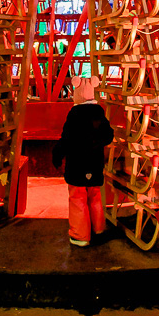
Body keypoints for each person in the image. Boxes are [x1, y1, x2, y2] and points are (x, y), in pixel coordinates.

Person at [52, 74, 114, 247]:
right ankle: (98, 230)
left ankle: (80, 236)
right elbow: (108, 136)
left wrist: (57, 155)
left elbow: (66, 139)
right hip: (95, 164)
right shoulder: (100, 114)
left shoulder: (74, 115)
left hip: (77, 165)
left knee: (77, 199)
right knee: (95, 197)